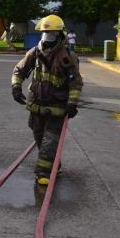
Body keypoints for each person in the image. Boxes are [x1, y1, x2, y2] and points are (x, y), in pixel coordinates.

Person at [11, 14, 83, 186]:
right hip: (36, 105)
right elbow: (19, 70)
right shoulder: (35, 52)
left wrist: (72, 103)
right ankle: (54, 165)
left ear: (59, 35)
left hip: (57, 107)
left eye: (51, 35)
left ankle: (43, 172)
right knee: (39, 137)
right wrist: (16, 87)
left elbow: (76, 82)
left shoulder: (67, 57)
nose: (47, 39)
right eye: (45, 35)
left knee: (49, 140)